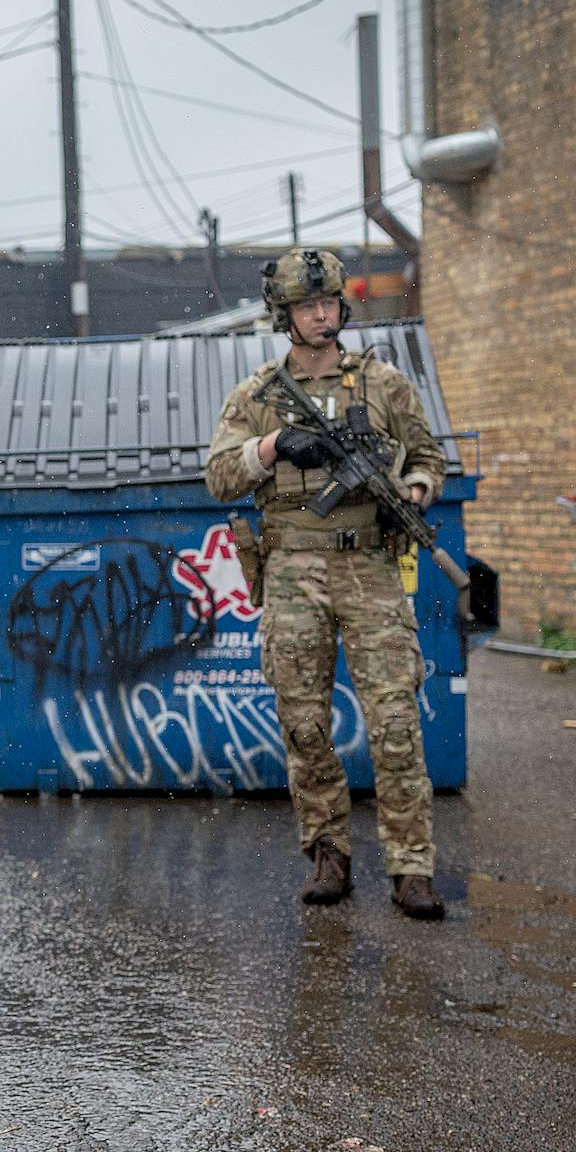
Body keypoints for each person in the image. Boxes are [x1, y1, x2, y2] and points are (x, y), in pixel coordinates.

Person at [204, 247, 448, 921]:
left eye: (330, 304)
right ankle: (328, 852)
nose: (322, 315)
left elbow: (429, 457)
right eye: (308, 306)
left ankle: (411, 865)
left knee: (396, 719)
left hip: (370, 564)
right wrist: (274, 445)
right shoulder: (256, 396)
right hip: (291, 569)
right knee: (304, 721)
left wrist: (418, 490)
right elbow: (220, 475)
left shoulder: (384, 384)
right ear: (285, 315)